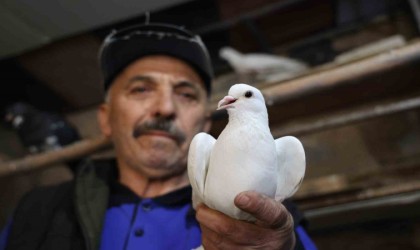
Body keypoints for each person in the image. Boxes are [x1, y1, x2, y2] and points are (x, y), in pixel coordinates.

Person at [0, 22, 317, 250]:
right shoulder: (37, 210)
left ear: (206, 123)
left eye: (186, 94)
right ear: (105, 119)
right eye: (141, 89)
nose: (165, 108)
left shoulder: (271, 220)